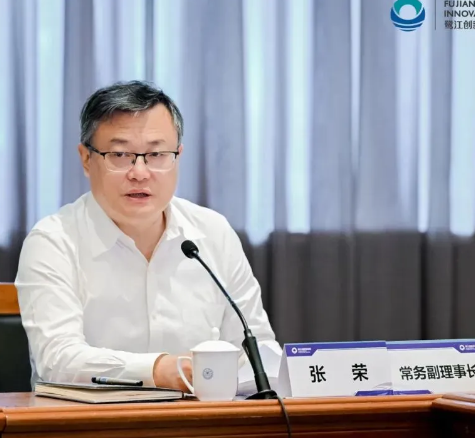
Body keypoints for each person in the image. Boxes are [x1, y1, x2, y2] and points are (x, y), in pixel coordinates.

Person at [15, 80, 278, 392]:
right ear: (86, 159)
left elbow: (260, 351)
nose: (139, 172)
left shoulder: (212, 233)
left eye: (156, 154)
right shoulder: (53, 242)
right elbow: (58, 360)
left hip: (200, 417)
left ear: (177, 156)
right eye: (119, 154)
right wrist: (162, 370)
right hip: (92, 419)